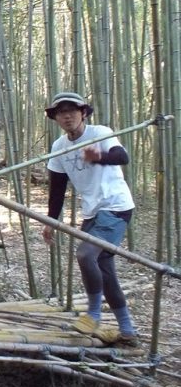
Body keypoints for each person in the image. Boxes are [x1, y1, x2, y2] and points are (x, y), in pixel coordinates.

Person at [42, 91, 138, 345]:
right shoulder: (59, 147)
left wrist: (98, 157)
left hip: (116, 206)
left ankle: (93, 314)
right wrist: (51, 221)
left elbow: (122, 156)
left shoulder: (100, 133)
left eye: (72, 110)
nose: (67, 116)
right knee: (105, 270)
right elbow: (57, 188)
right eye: (61, 112)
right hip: (92, 211)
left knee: (85, 254)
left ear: (83, 113)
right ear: (55, 118)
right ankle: (127, 330)